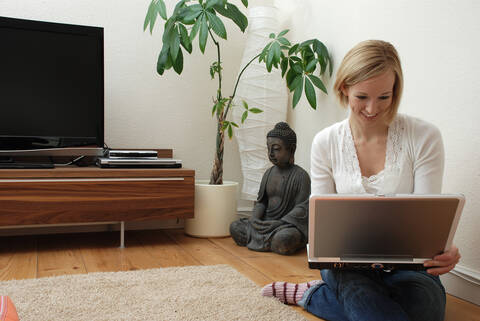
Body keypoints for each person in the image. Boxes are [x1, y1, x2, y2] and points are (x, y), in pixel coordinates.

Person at [261, 40, 461, 321]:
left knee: (425, 307)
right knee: (362, 291)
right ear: (344, 88)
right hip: (345, 264)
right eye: (362, 97)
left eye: (384, 97)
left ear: (395, 92)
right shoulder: (325, 142)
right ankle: (334, 293)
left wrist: (443, 250)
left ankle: (314, 296)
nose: (371, 109)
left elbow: (427, 222)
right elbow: (323, 225)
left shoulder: (424, 136)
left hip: (408, 267)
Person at [230, 122, 310, 255]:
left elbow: (302, 209)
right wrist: (255, 219)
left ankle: (275, 242)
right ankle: (271, 243)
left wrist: (279, 223)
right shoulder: (268, 174)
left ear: (291, 149)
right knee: (235, 227)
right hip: (265, 223)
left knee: (285, 238)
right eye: (268, 148)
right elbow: (262, 202)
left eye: (277, 148)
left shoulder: (301, 176)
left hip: (285, 225)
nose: (271, 153)